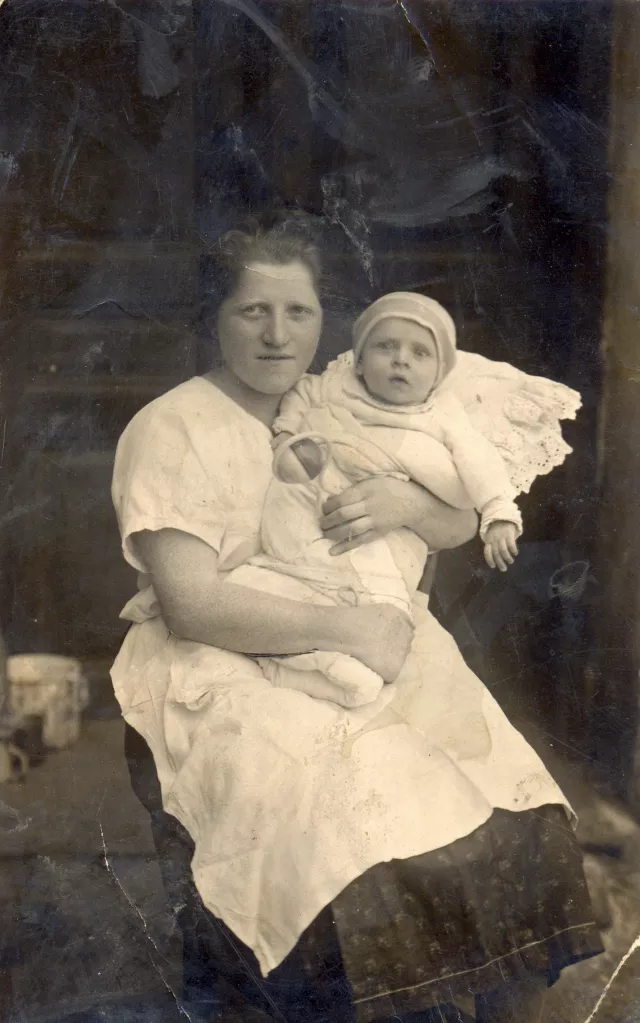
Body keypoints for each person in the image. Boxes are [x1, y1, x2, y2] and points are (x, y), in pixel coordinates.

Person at [111, 213, 602, 1023]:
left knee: (506, 801)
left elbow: (455, 514)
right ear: (215, 319)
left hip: (368, 629)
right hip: (226, 655)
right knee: (359, 823)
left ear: (324, 321)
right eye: (252, 312)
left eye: (297, 312)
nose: (277, 336)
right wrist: (347, 632)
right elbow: (195, 605)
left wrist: (409, 500)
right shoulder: (175, 425)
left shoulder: (345, 393)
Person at [222, 290, 577, 708]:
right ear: (358, 357)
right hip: (313, 509)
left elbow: (478, 464)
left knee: (378, 606)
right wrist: (286, 430)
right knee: (275, 575)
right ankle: (290, 654)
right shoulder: (337, 386)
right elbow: (303, 394)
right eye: (385, 346)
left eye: (420, 353)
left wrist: (499, 512)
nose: (400, 360)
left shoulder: (440, 416)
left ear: (439, 373)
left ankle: (338, 670)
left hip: (384, 539)